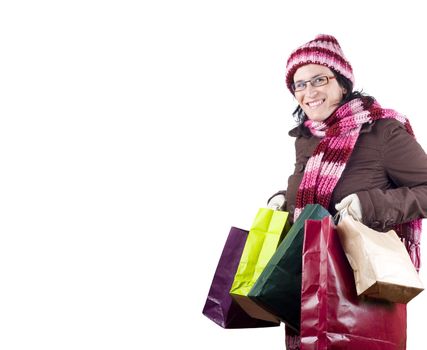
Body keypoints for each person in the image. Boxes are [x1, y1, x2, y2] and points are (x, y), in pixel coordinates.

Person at [267, 34, 427, 349]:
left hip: (364, 291)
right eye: (299, 85)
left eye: (318, 80)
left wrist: (370, 205)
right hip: (309, 287)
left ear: (342, 83)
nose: (308, 92)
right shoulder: (307, 138)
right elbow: (314, 204)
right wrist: (285, 201)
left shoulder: (382, 131)